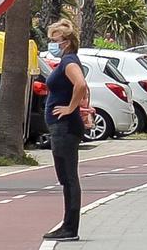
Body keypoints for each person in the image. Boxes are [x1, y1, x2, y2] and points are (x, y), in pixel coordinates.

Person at [42, 19, 87, 242]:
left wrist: (71, 108)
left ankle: (70, 228)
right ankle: (67, 225)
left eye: (55, 40)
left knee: (69, 177)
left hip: (65, 128)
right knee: (65, 177)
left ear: (66, 42)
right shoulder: (66, 61)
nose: (52, 44)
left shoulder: (69, 61)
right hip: (61, 127)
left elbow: (80, 84)